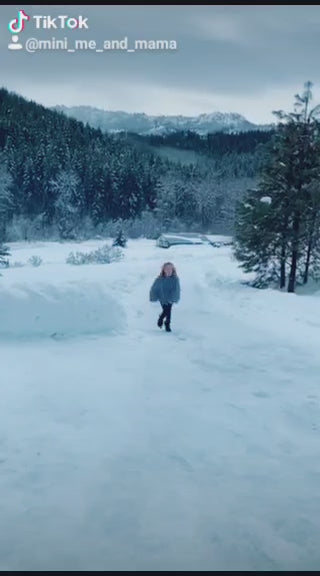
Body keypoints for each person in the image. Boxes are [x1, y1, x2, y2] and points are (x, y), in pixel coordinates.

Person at [149, 262, 180, 332]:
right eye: (167, 269)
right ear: (164, 270)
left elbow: (177, 289)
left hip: (170, 297)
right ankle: (163, 320)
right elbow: (154, 288)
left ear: (173, 270)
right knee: (166, 310)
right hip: (162, 298)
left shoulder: (175, 279)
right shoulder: (160, 279)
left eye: (170, 269)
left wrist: (174, 297)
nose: (168, 271)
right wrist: (154, 296)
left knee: (168, 310)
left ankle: (166, 323)